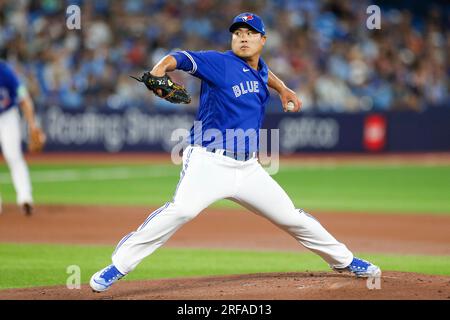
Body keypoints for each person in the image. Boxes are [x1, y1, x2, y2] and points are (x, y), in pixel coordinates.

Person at [90, 13, 381, 292]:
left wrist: (284, 90)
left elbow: (264, 74)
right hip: (209, 160)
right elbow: (177, 58)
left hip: (249, 168)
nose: (243, 38)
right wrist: (159, 69)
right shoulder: (219, 62)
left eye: (250, 33)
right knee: (182, 210)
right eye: (238, 33)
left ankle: (345, 261)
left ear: (262, 40)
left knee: (291, 217)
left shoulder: (260, 67)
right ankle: (117, 266)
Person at [0, 60, 41, 216]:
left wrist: (33, 126)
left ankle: (25, 198)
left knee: (14, 156)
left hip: (7, 116)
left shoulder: (5, 72)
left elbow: (24, 98)